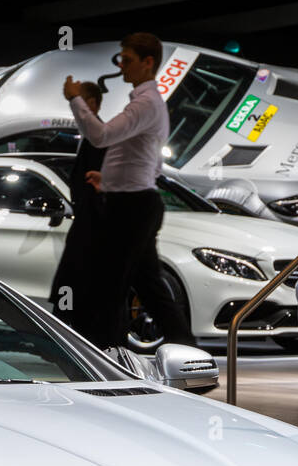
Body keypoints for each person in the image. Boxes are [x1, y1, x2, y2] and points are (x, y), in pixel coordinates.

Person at [63, 32, 194, 349]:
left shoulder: (146, 104)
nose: (121, 67)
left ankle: (103, 354)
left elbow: (100, 135)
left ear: (148, 63)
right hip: (133, 202)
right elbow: (145, 161)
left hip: (131, 207)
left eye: (127, 60)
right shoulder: (146, 104)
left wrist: (75, 99)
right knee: (146, 284)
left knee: (110, 283)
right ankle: (186, 348)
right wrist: (106, 180)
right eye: (120, 59)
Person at [49, 81, 105, 331]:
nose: (74, 109)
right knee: (72, 277)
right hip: (86, 220)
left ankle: (69, 328)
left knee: (76, 276)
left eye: (80, 101)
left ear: (91, 103)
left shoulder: (98, 137)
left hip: (92, 222)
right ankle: (67, 326)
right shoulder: (90, 136)